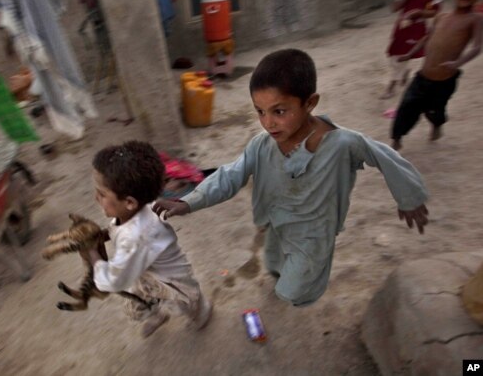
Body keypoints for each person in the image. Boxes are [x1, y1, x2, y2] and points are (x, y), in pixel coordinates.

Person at [153, 49, 429, 308]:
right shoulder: (262, 145)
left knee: (295, 290)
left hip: (313, 233)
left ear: (310, 103)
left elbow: (386, 158)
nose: (268, 122)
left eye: (279, 111)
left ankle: (296, 293)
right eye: (260, 111)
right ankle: (278, 274)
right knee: (274, 262)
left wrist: (409, 197)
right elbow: (229, 175)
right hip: (275, 221)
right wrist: (188, 202)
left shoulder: (342, 143)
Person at [88, 141, 213, 338]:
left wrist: (93, 254)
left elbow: (113, 281)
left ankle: (201, 313)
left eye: (102, 194)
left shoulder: (137, 236)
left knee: (187, 303)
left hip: (171, 280)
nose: (96, 198)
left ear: (129, 202)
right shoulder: (136, 208)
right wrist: (106, 233)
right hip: (144, 273)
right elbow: (120, 228)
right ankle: (159, 315)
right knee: (140, 301)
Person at [391, 0, 483, 150]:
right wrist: (410, 54)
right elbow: (426, 38)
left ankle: (436, 125)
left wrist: (458, 63)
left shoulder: (475, 19)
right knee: (407, 106)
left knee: (435, 110)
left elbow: (477, 47)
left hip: (444, 80)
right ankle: (396, 139)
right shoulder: (442, 16)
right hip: (423, 76)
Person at [381, 0, 443, 99]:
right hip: (402, 29)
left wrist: (419, 13)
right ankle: (404, 72)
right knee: (393, 56)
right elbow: (395, 7)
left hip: (417, 30)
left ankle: (391, 88)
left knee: (402, 58)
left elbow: (435, 11)